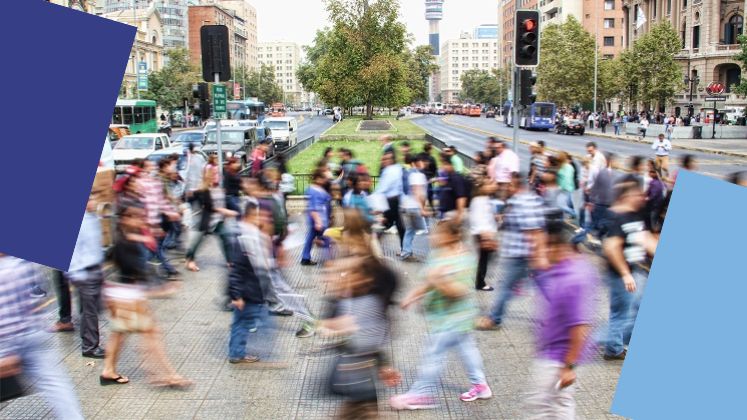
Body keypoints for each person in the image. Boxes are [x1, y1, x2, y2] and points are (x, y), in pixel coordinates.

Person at [391, 219, 492, 410]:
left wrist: (440, 280)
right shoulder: (437, 254)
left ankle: (422, 394)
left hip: (453, 317)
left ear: (452, 236)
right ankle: (480, 385)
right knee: (467, 349)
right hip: (445, 316)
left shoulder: (463, 258)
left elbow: (460, 291)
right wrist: (412, 296)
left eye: (438, 234)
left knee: (433, 354)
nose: (432, 236)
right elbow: (428, 281)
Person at [102, 205, 192, 388]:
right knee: (151, 335)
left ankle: (108, 370)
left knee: (119, 335)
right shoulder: (125, 244)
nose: (142, 221)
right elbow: (136, 273)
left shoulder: (127, 240)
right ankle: (167, 375)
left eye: (142, 218)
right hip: (127, 298)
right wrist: (161, 290)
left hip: (121, 296)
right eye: (137, 218)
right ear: (125, 220)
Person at [321, 213, 401, 418]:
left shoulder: (364, 297)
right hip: (357, 360)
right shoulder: (366, 267)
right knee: (360, 407)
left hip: (360, 358)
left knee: (361, 408)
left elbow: (366, 334)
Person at [525, 209, 597, 419]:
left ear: (557, 246)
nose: (541, 252)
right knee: (559, 406)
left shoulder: (573, 279)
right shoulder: (570, 267)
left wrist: (568, 366)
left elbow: (581, 327)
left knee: (541, 409)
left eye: (544, 247)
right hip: (554, 354)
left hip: (558, 358)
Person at [0, 254, 85, 419]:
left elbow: (5, 316)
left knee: (56, 386)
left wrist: (7, 352)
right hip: (36, 333)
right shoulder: (21, 262)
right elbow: (39, 294)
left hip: (12, 340)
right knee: (57, 386)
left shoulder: (5, 271)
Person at [476, 172, 547, 330]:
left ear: (516, 186)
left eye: (509, 184)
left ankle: (494, 319)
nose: (506, 187)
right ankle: (558, 316)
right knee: (542, 287)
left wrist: (537, 257)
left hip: (521, 255)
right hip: (523, 254)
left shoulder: (523, 202)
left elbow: (533, 231)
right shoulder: (528, 199)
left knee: (506, 287)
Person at [602, 176, 658, 360]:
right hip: (621, 275)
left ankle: (614, 342)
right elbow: (611, 247)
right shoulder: (619, 217)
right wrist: (625, 274)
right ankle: (613, 349)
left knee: (632, 309)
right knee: (621, 313)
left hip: (635, 271)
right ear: (627, 196)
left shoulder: (635, 215)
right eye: (637, 194)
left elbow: (646, 240)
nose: (641, 197)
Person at [228, 200, 284, 364]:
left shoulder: (252, 235)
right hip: (248, 290)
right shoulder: (245, 238)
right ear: (249, 216)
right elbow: (237, 269)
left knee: (241, 322)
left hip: (251, 289)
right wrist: (236, 295)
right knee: (247, 322)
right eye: (258, 216)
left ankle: (236, 353)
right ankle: (237, 353)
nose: (262, 219)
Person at [65, 194, 107, 358]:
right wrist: (77, 274)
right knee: (90, 312)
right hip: (85, 272)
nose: (94, 202)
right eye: (91, 199)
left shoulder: (92, 218)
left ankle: (90, 340)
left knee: (91, 310)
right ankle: (90, 347)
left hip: (94, 270)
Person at [185, 165, 239, 272]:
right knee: (197, 241)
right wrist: (223, 211)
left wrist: (229, 211)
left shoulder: (220, 189)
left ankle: (229, 261)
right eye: (214, 174)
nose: (217, 176)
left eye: (218, 174)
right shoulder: (204, 190)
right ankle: (189, 259)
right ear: (209, 176)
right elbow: (208, 206)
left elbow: (225, 202)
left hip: (218, 220)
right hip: (206, 220)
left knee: (226, 238)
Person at [469, 177, 498, 291]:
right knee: (484, 259)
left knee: (486, 258)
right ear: (482, 187)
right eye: (489, 184)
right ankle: (480, 282)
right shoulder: (479, 200)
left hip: (485, 233)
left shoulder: (484, 199)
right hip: (483, 234)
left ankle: (480, 280)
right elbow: (478, 219)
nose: (493, 185)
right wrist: (485, 235)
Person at [374, 151, 405, 251]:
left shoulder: (392, 170)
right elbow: (382, 188)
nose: (384, 161)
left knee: (395, 225)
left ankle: (404, 249)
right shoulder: (393, 169)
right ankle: (373, 244)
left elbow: (382, 188)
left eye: (387, 159)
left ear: (392, 159)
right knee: (390, 224)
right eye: (383, 159)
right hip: (391, 201)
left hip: (394, 201)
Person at [400, 154, 429, 261]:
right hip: (414, 206)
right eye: (422, 161)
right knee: (420, 230)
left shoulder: (407, 173)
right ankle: (406, 253)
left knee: (410, 230)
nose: (423, 164)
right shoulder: (417, 175)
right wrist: (422, 208)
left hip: (405, 205)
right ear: (416, 163)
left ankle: (406, 252)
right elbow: (417, 192)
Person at [301, 169, 332, 266]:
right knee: (326, 238)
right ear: (317, 178)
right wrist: (318, 221)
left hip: (319, 219)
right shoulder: (314, 191)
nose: (325, 180)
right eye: (323, 178)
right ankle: (327, 260)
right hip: (319, 219)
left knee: (311, 237)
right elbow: (313, 207)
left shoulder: (315, 189)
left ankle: (305, 257)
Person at [587, 153, 617, 238]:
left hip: (610, 204)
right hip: (601, 203)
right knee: (597, 224)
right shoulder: (601, 172)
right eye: (615, 161)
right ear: (610, 161)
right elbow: (595, 188)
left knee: (606, 225)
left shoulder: (615, 174)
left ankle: (599, 238)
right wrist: (591, 202)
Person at [437, 153, 469, 224]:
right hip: (449, 214)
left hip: (455, 214)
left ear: (450, 165)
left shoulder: (456, 179)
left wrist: (459, 215)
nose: (443, 167)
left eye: (444, 165)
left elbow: (461, 197)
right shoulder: (449, 178)